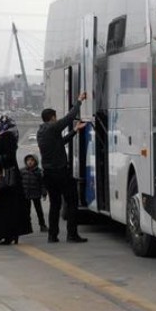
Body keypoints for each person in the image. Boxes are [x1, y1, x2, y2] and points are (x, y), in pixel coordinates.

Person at [37, 92, 88, 243]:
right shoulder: (53, 128)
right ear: (52, 118)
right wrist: (79, 101)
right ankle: (72, 234)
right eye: (55, 117)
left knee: (55, 204)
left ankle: (52, 235)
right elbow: (70, 117)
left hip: (48, 174)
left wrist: (74, 131)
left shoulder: (41, 132)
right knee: (72, 202)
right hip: (60, 172)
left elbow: (60, 143)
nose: (57, 119)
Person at [0, 116, 32, 245]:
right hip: (0, 176)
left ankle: (8, 235)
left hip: (7, 178)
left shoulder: (7, 136)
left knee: (7, 208)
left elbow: (8, 156)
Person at [20, 154, 48, 232]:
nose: (30, 162)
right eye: (28, 160)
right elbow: (19, 182)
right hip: (25, 194)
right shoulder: (22, 171)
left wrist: (44, 193)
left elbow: (42, 184)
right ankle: (27, 226)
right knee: (26, 211)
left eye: (32, 160)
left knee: (39, 210)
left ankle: (42, 225)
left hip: (35, 193)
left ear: (35, 162)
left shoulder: (39, 172)